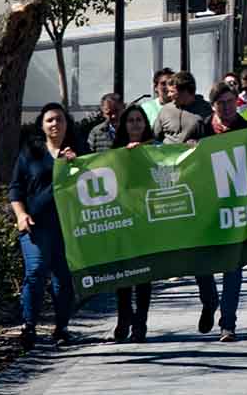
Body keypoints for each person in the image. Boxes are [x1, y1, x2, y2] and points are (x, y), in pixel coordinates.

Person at [8, 103, 85, 350]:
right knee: (36, 271)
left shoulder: (79, 151)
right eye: (50, 120)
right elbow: (16, 187)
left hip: (67, 226)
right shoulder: (31, 152)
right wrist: (20, 214)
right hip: (36, 225)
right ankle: (28, 326)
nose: (55, 124)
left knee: (63, 279)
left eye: (60, 120)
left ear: (67, 124)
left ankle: (61, 328)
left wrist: (77, 165)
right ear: (42, 125)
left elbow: (95, 179)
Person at [198, 81, 247, 342]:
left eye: (230, 102)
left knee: (233, 265)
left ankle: (228, 323)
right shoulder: (202, 128)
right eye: (220, 104)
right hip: (205, 207)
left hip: (237, 206)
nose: (226, 108)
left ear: (237, 101)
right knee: (201, 262)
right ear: (213, 106)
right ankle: (209, 300)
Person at [110, 105, 156, 343]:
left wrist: (145, 154)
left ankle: (141, 323)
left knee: (143, 276)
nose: (136, 124)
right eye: (131, 121)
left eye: (139, 120)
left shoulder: (155, 148)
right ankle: (123, 318)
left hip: (146, 219)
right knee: (124, 275)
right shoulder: (114, 152)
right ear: (124, 125)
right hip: (122, 220)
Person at [154, 71, 212, 144]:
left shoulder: (205, 109)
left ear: (184, 92)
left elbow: (212, 138)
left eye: (172, 91)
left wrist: (198, 142)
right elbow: (154, 136)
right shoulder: (165, 110)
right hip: (168, 153)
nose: (169, 95)